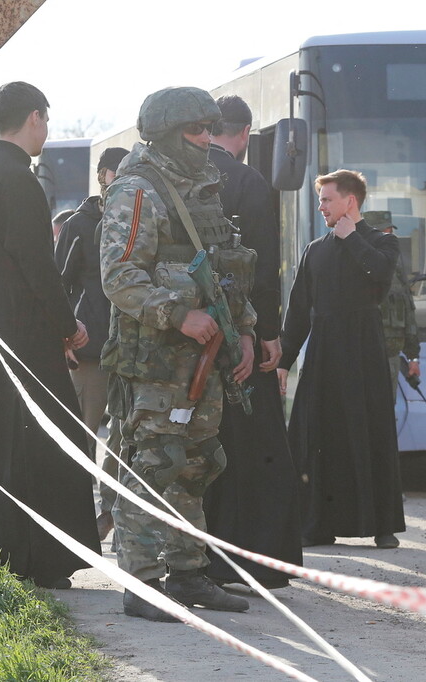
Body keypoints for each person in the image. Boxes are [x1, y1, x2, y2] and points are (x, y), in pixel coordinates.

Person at [100, 86, 256, 622]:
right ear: (168, 132)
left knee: (196, 464)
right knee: (151, 464)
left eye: (212, 129)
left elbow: (226, 270)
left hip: (205, 358)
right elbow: (119, 279)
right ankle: (141, 582)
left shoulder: (202, 188)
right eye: (197, 130)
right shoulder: (137, 190)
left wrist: (247, 331)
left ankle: (188, 572)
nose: (208, 139)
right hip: (157, 361)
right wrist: (178, 314)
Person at [0, 81, 100, 589]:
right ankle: (40, 560)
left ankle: (15, 555)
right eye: (46, 120)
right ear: (35, 118)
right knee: (47, 440)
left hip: (4, 315)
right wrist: (68, 327)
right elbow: (39, 267)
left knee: (15, 439)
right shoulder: (19, 179)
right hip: (24, 323)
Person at [201, 95, 301, 589]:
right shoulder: (248, 182)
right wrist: (266, 336)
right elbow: (261, 267)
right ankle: (257, 560)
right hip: (238, 335)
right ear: (244, 135)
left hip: (186, 334)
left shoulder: (180, 175)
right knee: (256, 446)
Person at [277, 169, 405, 549]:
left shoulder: (383, 243)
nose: (321, 208)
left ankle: (381, 525)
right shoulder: (315, 250)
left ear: (350, 201)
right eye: (320, 200)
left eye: (327, 200)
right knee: (318, 435)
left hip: (364, 353)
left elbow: (380, 274)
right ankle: (317, 524)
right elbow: (299, 309)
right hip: (323, 355)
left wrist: (351, 239)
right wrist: (283, 360)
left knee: (370, 432)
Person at [54, 145, 129, 539]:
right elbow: (57, 287)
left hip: (132, 352)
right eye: (118, 172)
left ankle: (112, 515)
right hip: (89, 352)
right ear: (102, 175)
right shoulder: (79, 224)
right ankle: (75, 519)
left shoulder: (139, 219)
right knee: (81, 435)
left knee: (124, 440)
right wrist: (65, 336)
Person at [363, 210, 420, 400]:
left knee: (384, 414)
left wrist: (413, 358)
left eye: (389, 231)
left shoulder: (395, 268)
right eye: (384, 232)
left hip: (390, 358)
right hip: (361, 357)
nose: (390, 236)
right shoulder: (354, 266)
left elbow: (408, 315)